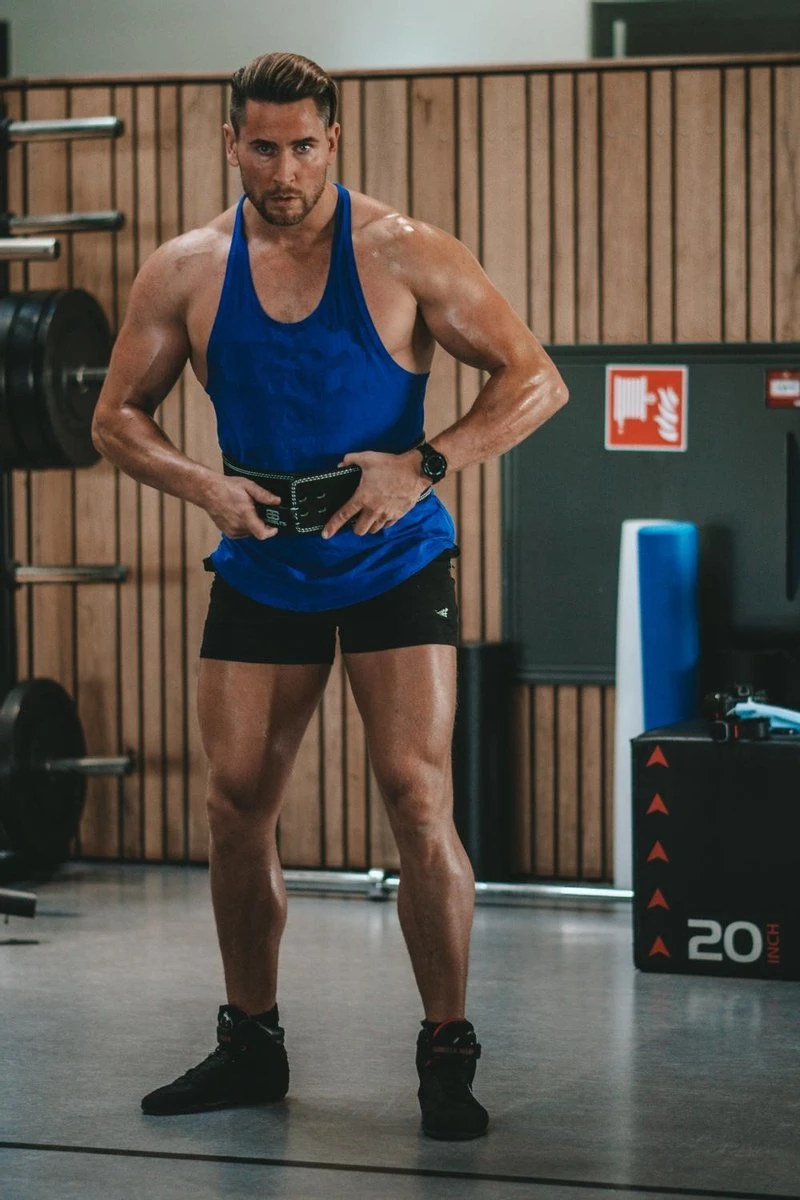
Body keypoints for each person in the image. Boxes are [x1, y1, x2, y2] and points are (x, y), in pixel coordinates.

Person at [92, 51, 568, 1141]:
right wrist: (204, 485)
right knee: (234, 804)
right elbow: (116, 418)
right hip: (262, 558)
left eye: (304, 146)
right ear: (231, 143)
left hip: (392, 554)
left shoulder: (402, 251)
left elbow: (534, 378)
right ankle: (249, 1042)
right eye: (263, 147)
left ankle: (446, 1050)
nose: (285, 170)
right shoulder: (187, 269)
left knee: (415, 795)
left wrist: (426, 464)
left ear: (333, 141)